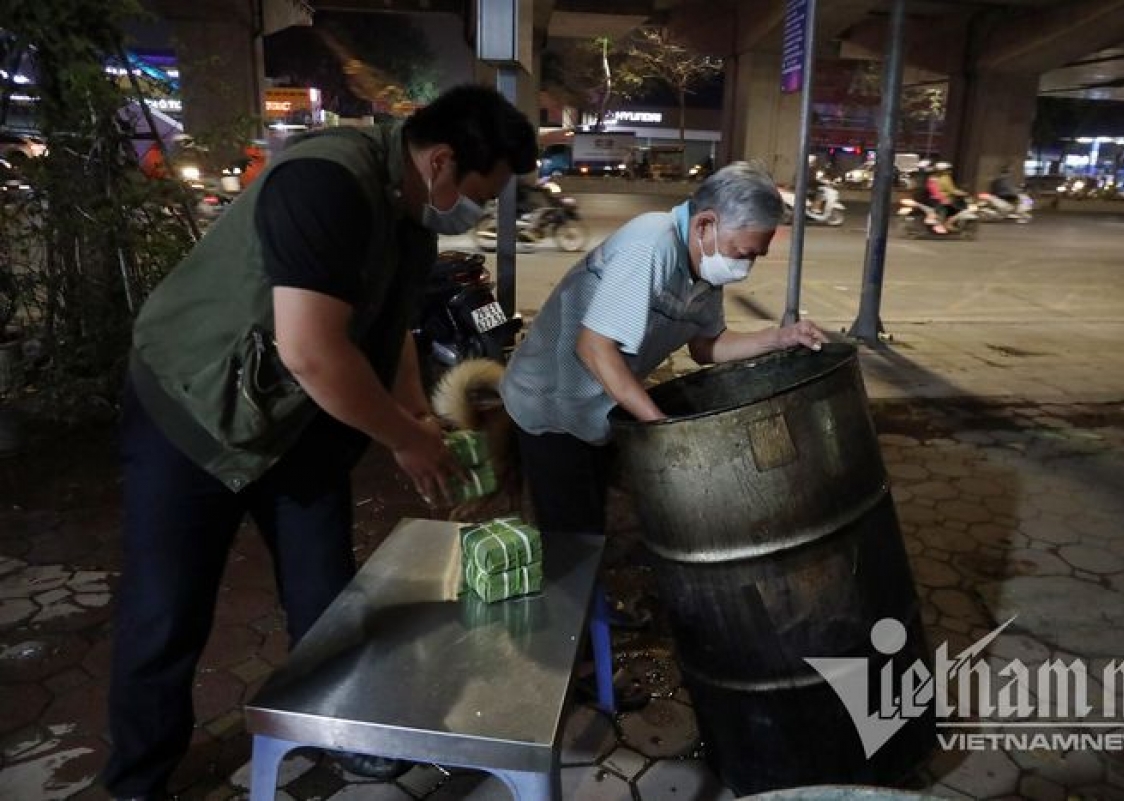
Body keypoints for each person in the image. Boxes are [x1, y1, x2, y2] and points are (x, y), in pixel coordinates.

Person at [102, 84, 537, 801]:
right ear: (440, 160)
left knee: (325, 590)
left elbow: (388, 330)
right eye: (479, 193)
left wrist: (412, 416)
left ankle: (342, 731)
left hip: (292, 415)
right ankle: (136, 780)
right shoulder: (325, 182)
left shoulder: (411, 218)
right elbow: (311, 350)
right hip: (191, 408)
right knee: (168, 609)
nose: (478, 211)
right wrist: (404, 441)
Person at [499, 161, 828, 535]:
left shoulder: (702, 269)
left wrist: (780, 337)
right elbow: (594, 348)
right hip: (552, 403)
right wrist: (662, 429)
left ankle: (588, 584)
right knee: (574, 536)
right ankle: (572, 590)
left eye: (755, 256)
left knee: (591, 520)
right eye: (742, 253)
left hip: (597, 408)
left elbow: (706, 346)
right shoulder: (651, 245)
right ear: (705, 224)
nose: (745, 267)